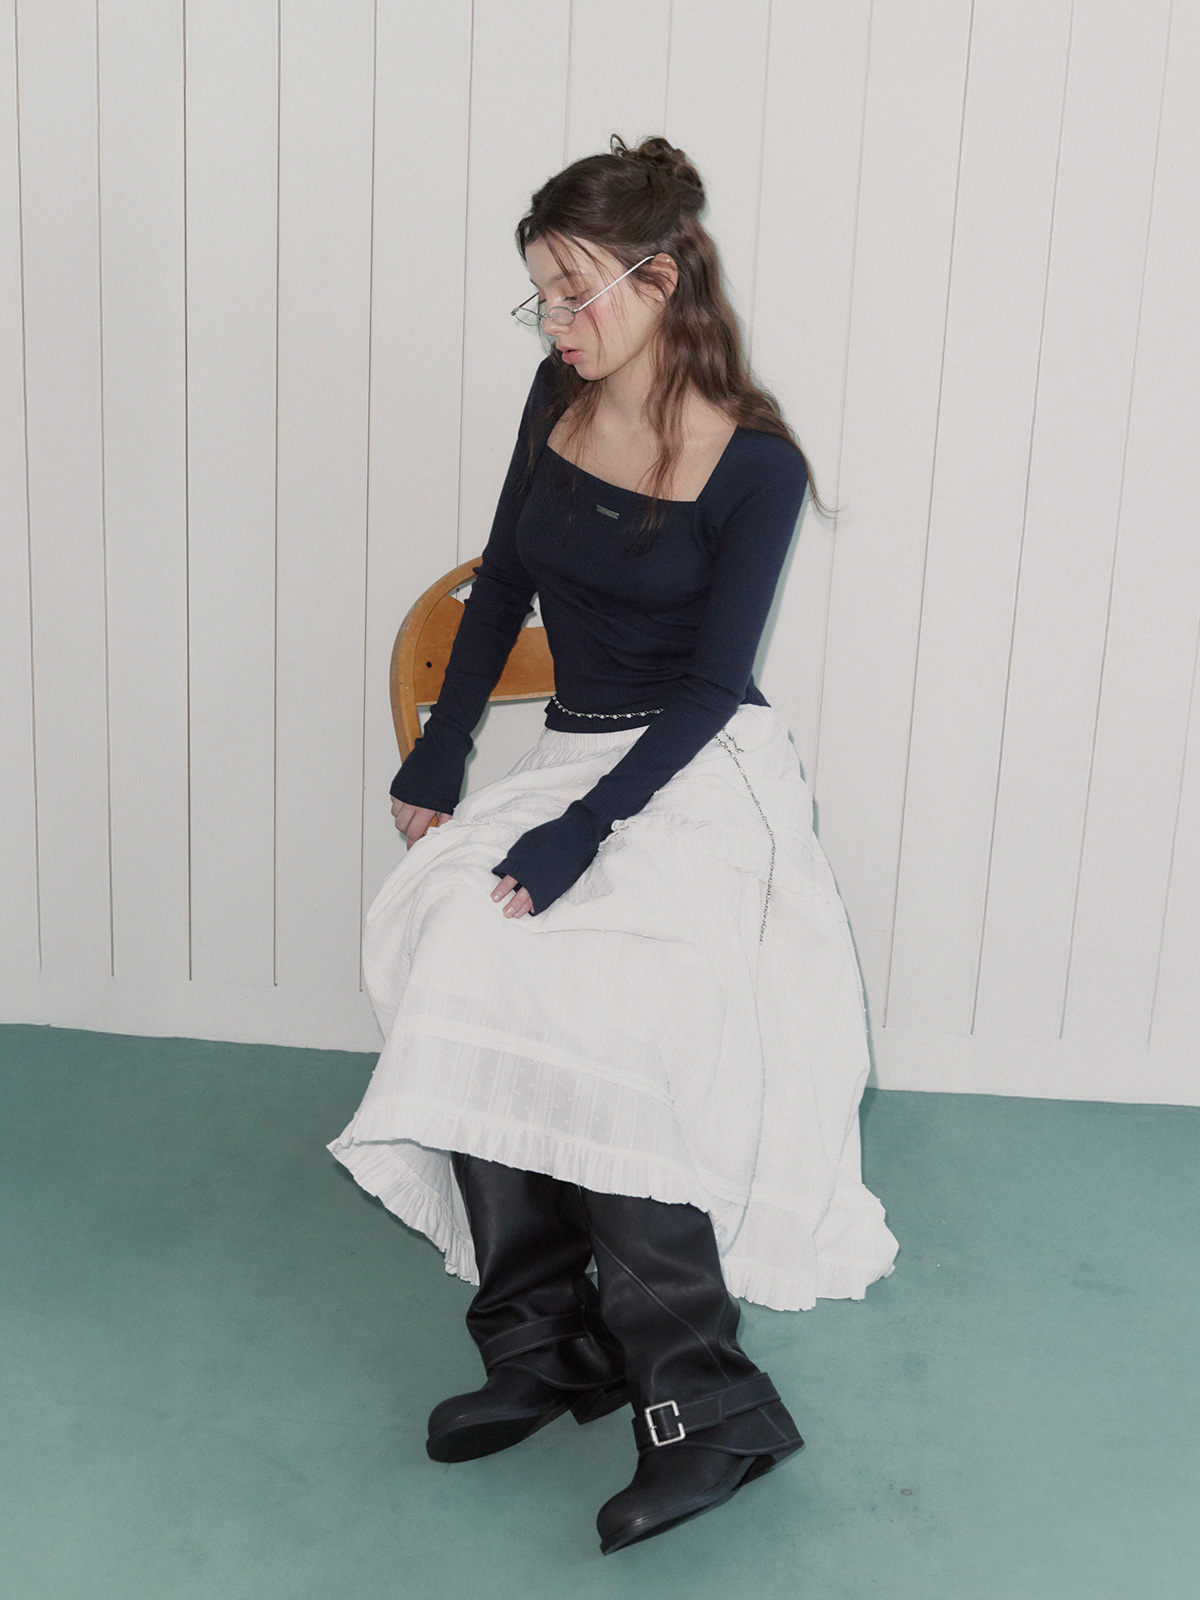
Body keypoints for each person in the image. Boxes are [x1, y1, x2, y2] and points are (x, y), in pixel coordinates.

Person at [329, 134, 897, 1555]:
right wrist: (445, 742)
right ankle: (545, 1342)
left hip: (694, 772)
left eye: (577, 294)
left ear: (664, 277)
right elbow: (503, 582)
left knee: (613, 1002)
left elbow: (709, 691)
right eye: (541, 295)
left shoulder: (755, 464)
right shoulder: (557, 398)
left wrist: (585, 832)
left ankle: (711, 1409)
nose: (557, 324)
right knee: (463, 947)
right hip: (574, 752)